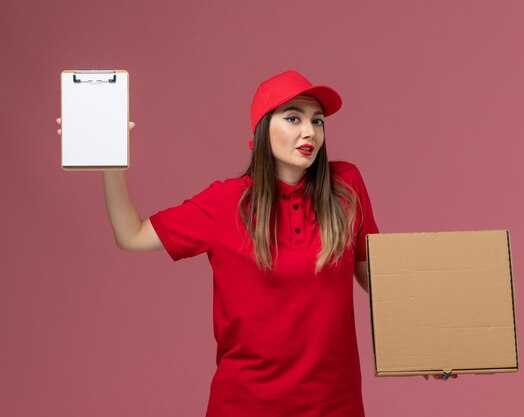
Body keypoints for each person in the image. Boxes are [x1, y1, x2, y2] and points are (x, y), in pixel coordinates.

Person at [56, 69, 452, 417]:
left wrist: (427, 342)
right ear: (263, 129)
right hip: (245, 406)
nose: (309, 131)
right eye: (293, 117)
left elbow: (376, 278)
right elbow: (131, 235)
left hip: (335, 406)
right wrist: (110, 164)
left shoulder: (346, 186)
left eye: (317, 121)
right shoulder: (226, 201)